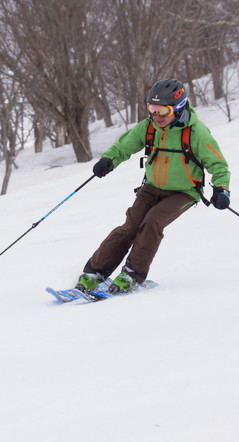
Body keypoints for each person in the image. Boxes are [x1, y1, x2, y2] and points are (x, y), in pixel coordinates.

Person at [76, 78, 231, 294]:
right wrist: (109, 160)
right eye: (152, 109)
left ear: (177, 108)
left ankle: (132, 274)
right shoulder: (149, 127)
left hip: (184, 192)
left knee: (152, 222)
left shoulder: (196, 133)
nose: (156, 115)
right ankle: (95, 272)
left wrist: (221, 189)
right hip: (151, 187)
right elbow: (124, 146)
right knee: (129, 227)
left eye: (162, 110)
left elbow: (218, 164)